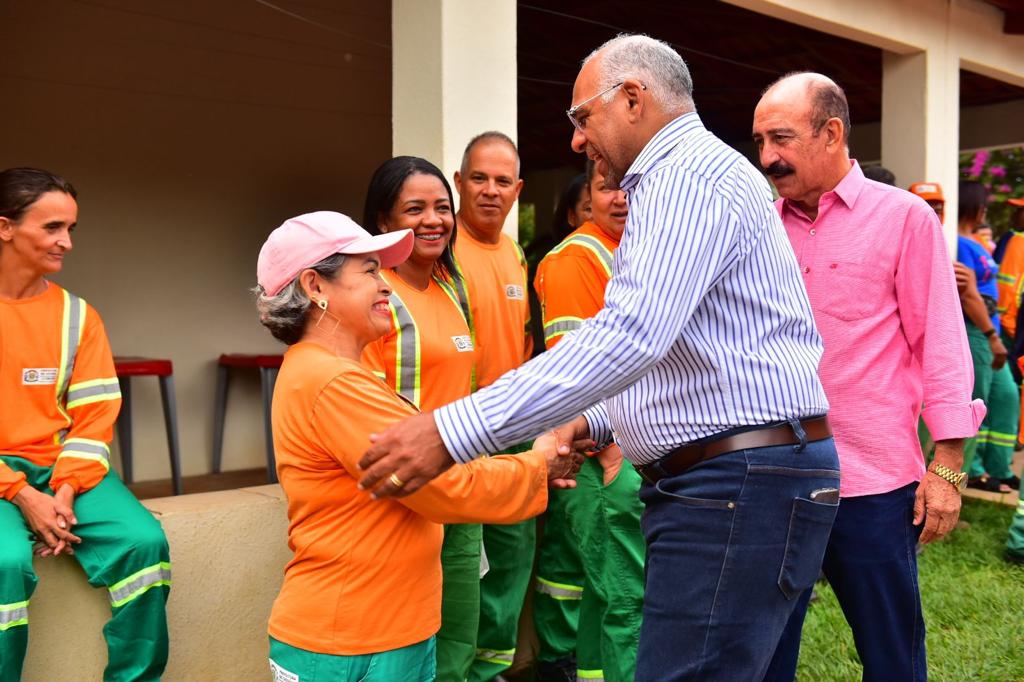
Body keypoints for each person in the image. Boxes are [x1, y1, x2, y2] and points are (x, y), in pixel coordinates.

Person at [359, 34, 841, 681]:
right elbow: (686, 355)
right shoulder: (692, 177)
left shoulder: (683, 176)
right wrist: (593, 423)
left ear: (634, 99)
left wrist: (453, 432)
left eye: (582, 117)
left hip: (735, 485)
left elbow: (631, 334)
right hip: (748, 477)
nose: (577, 142)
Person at [255, 211, 579, 682]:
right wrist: (536, 464)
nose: (386, 285)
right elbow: (441, 485)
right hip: (354, 642)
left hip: (378, 632)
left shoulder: (335, 372)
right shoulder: (332, 381)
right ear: (315, 287)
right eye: (368, 271)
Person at [752, 73, 983, 682]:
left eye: (780, 138)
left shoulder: (904, 219)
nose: (767, 157)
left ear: (832, 133)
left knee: (891, 653)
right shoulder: (757, 226)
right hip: (775, 477)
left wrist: (948, 466)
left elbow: (941, 341)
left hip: (874, 484)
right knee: (763, 652)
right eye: (760, 142)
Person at [0, 167, 171, 680]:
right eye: (52, 227)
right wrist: (21, 494)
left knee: (144, 544)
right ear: (5, 227)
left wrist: (67, 490)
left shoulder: (78, 316)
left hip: (61, 468)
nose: (66, 242)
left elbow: (95, 417)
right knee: (6, 564)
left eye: (71, 228)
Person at [358, 156, 481, 680]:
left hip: (462, 486)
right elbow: (359, 399)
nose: (433, 220)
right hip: (404, 494)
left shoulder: (453, 287)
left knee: (459, 633)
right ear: (384, 223)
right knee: (404, 642)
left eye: (441, 208)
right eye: (415, 209)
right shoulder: (373, 295)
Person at [533, 160, 644, 682]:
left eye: (630, 186)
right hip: (605, 455)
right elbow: (577, 373)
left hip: (628, 448)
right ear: (587, 195)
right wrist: (612, 445)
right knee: (628, 600)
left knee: (612, 598)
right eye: (606, 188)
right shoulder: (577, 258)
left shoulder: (639, 250)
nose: (619, 197)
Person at [449, 131, 535, 681]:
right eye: (478, 178)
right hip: (464, 430)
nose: (490, 190)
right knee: (464, 571)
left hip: (518, 428)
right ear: (459, 183)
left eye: (503, 181)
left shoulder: (515, 251)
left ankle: (493, 671)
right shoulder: (440, 248)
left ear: (518, 190)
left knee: (511, 560)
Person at [957, 181, 1020, 493]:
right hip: (978, 331)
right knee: (976, 402)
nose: (984, 209)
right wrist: (992, 335)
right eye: (981, 203)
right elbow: (968, 295)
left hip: (989, 330)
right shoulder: (957, 243)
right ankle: (976, 471)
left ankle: (999, 465)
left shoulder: (976, 242)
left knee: (1006, 397)